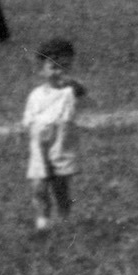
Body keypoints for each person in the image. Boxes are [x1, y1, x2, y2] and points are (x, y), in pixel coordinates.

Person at [23, 35, 86, 230]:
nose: (60, 72)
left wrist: (72, 83)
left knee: (60, 186)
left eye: (65, 67)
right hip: (40, 144)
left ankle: (65, 218)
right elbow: (28, 122)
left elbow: (81, 91)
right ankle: (42, 220)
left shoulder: (69, 92)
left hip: (61, 143)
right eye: (54, 67)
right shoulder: (35, 95)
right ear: (42, 70)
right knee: (38, 185)